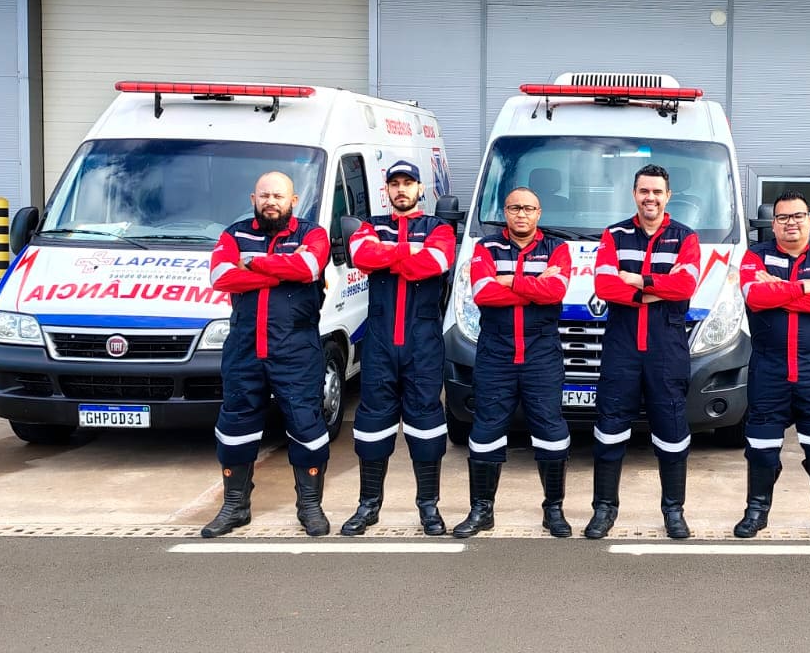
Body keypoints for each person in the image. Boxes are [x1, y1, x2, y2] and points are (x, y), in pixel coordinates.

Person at [200, 171, 333, 538]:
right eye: (264, 195)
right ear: (253, 199)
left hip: (297, 350)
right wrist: (282, 272)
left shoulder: (312, 235)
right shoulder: (234, 234)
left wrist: (253, 263)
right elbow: (221, 277)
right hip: (244, 349)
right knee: (236, 428)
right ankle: (235, 506)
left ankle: (310, 506)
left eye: (278, 196)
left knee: (306, 426)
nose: (271, 202)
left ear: (293, 201)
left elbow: (309, 267)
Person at [586, 164, 702, 540]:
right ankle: (604, 509)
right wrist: (653, 292)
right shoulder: (614, 235)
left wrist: (637, 280)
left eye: (656, 192)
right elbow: (605, 286)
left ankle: (674, 511)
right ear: (634, 194)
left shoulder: (685, 237)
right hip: (621, 349)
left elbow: (685, 286)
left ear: (668, 196)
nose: (650, 198)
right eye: (643, 191)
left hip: (666, 350)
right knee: (609, 431)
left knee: (672, 432)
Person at [340, 160, 456, 536]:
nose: (401, 189)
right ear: (386, 190)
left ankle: (429, 508)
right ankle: (368, 506)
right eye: (395, 183)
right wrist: (408, 254)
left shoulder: (438, 228)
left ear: (420, 189)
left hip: (423, 343)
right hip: (380, 342)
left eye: (408, 183)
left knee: (426, 426)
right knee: (372, 426)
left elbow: (436, 262)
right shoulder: (370, 226)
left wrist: (388, 256)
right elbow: (363, 257)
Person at [454, 187, 575, 539]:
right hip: (497, 353)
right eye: (514, 208)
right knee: (486, 431)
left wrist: (509, 281)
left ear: (539, 213)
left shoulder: (557, 248)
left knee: (550, 431)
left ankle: (553, 510)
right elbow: (483, 293)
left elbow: (556, 291)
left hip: (541, 353)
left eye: (528, 208)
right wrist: (535, 284)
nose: (521, 214)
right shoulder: (485, 247)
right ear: (505, 212)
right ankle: (481, 511)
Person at [734, 192, 810, 540]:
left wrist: (780, 291)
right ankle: (756, 511)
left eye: (798, 216)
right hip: (769, 370)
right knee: (761, 445)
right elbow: (755, 296)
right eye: (783, 217)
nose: (791, 223)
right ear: (773, 224)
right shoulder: (755, 256)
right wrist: (804, 287)